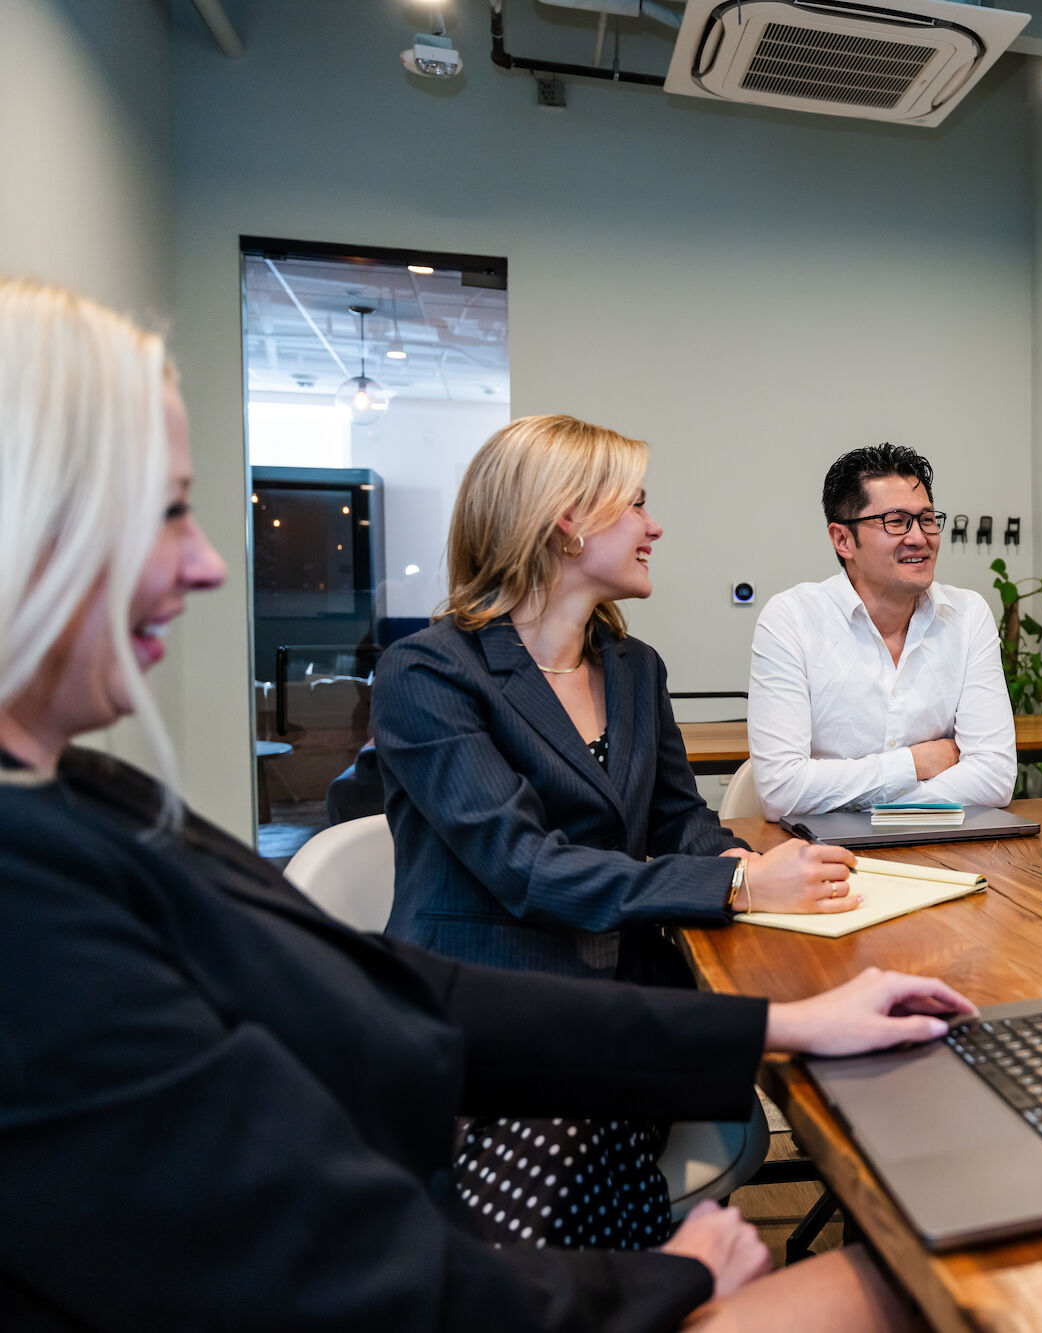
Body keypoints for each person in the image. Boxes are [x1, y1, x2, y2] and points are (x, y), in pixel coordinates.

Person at [0, 277, 970, 1330]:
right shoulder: (426, 673)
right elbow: (513, 881)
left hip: (555, 1049)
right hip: (471, 1153)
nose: (208, 564)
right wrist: (673, 1274)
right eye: (169, 509)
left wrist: (778, 1011)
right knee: (920, 1278)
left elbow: (407, 992)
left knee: (913, 1264)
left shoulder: (91, 798)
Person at [372, 414, 866, 1248]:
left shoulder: (636, 668)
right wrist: (740, 886)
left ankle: (623, 1290)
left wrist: (754, 859)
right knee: (561, 1166)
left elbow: (677, 820)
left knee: (594, 1140)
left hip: (620, 1004)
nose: (655, 524)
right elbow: (522, 865)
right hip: (491, 1019)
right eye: (636, 503)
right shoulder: (428, 673)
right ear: (566, 520)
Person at [747, 443, 1016, 819]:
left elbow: (995, 778)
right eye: (896, 521)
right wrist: (915, 763)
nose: (919, 537)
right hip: (822, 858)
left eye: (926, 519)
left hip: (941, 847)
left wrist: (875, 806)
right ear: (843, 540)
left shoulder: (968, 615)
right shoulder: (792, 619)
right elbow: (782, 790)